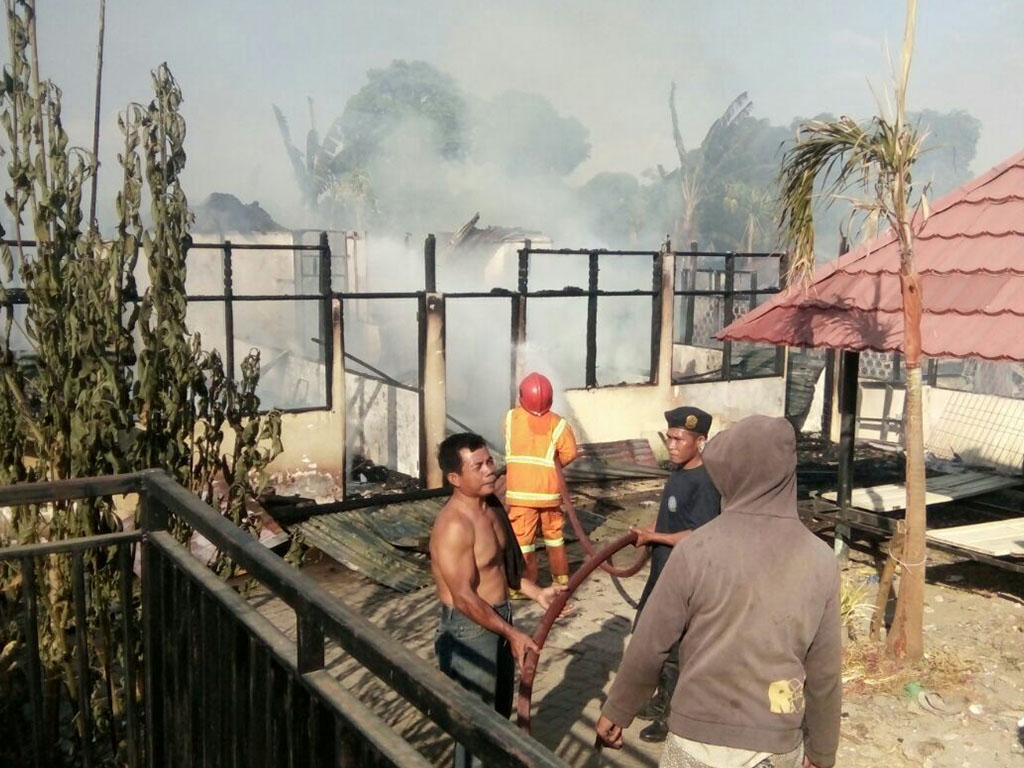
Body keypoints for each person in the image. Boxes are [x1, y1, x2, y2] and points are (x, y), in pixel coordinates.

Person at [596, 415, 842, 768]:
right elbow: (825, 670)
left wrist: (618, 709)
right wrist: (821, 752)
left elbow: (650, 642)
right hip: (775, 741)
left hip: (697, 741)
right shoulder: (821, 559)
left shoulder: (697, 550)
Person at [430, 432, 564, 768]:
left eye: (490, 461)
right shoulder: (454, 526)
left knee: (498, 716)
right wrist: (511, 633)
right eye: (478, 466)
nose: (490, 470)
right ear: (455, 478)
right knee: (476, 726)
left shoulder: (490, 507)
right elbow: (463, 597)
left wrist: (537, 593)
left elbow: (502, 566)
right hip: (469, 629)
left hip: (498, 619)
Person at [629, 406, 721, 744]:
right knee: (651, 636)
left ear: (700, 441)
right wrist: (648, 530)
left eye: (679, 439)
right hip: (662, 571)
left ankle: (672, 715)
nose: (671, 444)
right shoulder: (678, 473)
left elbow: (699, 534)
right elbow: (671, 520)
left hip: (685, 579)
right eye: (669, 438)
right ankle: (659, 701)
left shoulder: (705, 482)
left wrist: (655, 538)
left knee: (675, 648)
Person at [502, 372, 578, 590]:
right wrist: (551, 469)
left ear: (522, 396)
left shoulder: (510, 419)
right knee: (554, 536)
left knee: (523, 541)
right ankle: (562, 580)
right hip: (549, 493)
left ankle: (524, 586)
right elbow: (570, 452)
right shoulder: (559, 424)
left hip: (520, 494)